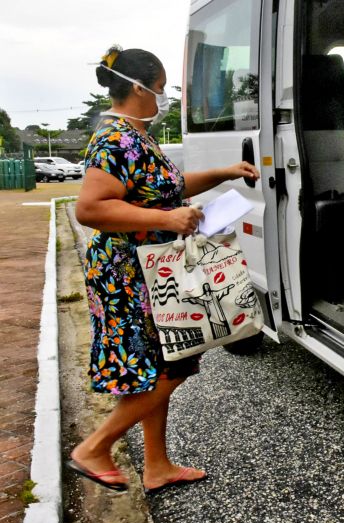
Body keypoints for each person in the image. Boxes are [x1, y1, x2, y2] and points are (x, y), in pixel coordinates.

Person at [68, 46, 259, 494]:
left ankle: (157, 466)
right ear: (137, 88)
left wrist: (224, 173)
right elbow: (90, 208)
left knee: (157, 365)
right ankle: (94, 449)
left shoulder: (136, 134)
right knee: (169, 368)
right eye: (159, 88)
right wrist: (166, 219)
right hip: (131, 273)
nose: (163, 96)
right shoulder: (117, 138)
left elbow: (165, 187)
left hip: (149, 269)